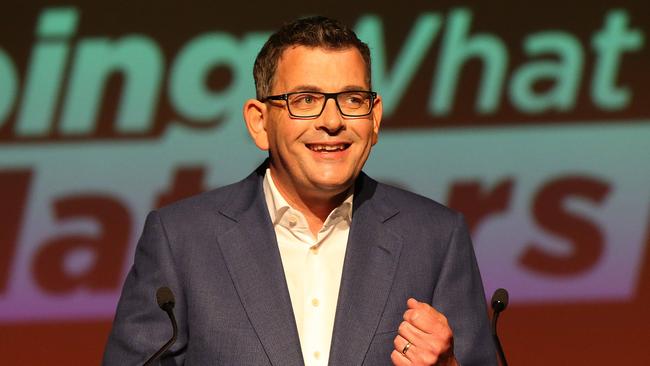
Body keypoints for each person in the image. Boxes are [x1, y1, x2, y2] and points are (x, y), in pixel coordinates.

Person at [103, 16, 496, 366]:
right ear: (260, 123)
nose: (332, 121)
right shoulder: (181, 239)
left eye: (351, 99)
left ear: (374, 120)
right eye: (305, 100)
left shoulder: (436, 238)